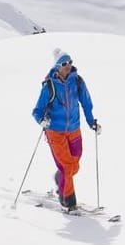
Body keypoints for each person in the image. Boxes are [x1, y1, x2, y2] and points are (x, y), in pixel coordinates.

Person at [32, 50, 100, 210]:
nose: (68, 66)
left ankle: (60, 178)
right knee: (67, 167)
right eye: (64, 63)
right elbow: (37, 111)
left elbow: (86, 104)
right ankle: (68, 201)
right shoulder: (49, 86)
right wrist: (42, 121)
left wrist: (91, 123)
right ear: (57, 66)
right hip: (55, 131)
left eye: (70, 62)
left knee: (74, 166)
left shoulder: (77, 82)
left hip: (74, 130)